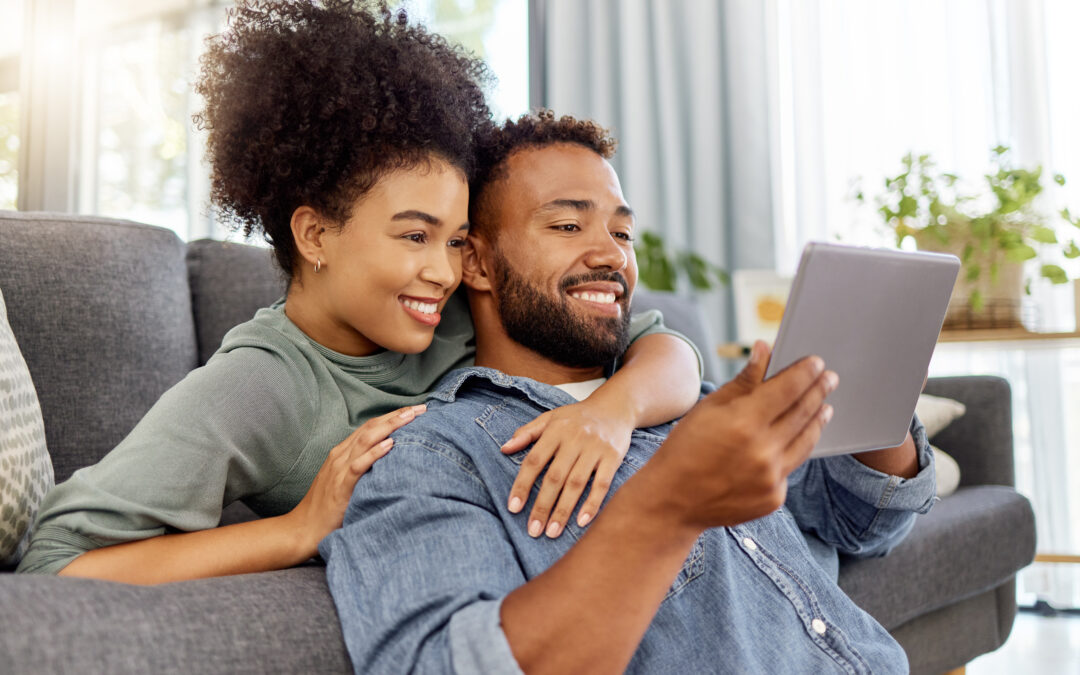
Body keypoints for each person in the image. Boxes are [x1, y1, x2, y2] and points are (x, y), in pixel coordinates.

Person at [16, 2, 703, 583]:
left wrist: (613, 410)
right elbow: (56, 558)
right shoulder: (262, 384)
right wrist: (298, 529)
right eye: (414, 236)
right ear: (315, 235)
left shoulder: (459, 306)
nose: (445, 269)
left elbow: (664, 345)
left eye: (457, 239)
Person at [320, 112, 937, 674]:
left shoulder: (690, 401)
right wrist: (669, 506)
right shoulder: (435, 457)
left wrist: (877, 379)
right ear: (477, 264)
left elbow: (861, 523)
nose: (610, 254)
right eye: (567, 224)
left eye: (623, 232)